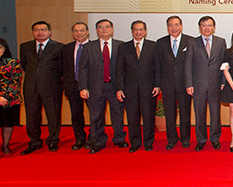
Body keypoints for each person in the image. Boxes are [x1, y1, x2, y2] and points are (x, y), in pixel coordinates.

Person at [79, 19, 125, 154]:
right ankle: (98, 141)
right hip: (95, 88)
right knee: (96, 116)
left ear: (112, 29)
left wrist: (122, 87)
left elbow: (124, 69)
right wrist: (83, 87)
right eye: (100, 27)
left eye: (107, 27)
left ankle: (119, 139)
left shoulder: (120, 46)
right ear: (96, 30)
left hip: (115, 87)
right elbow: (83, 69)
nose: (104, 29)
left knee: (117, 114)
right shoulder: (88, 47)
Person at [19, 21, 63, 154]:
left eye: (43, 30)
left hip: (52, 87)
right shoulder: (25, 46)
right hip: (31, 87)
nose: (40, 32)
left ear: (49, 32)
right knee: (31, 116)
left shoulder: (59, 47)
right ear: (33, 32)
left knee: (53, 115)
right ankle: (34, 142)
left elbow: (62, 68)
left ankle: (53, 141)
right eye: (37, 30)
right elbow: (25, 66)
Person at [116, 20, 160, 152]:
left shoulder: (153, 46)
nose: (138, 32)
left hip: (149, 88)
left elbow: (158, 67)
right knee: (132, 117)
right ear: (132, 31)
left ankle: (148, 142)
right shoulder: (123, 47)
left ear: (145, 31)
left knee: (148, 116)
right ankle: (135, 142)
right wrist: (119, 88)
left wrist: (157, 85)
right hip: (130, 89)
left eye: (141, 29)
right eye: (135, 29)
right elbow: (120, 69)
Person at [186, 16, 227, 151]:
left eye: (209, 25)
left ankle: (215, 138)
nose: (207, 28)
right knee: (199, 114)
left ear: (214, 27)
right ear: (200, 27)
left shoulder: (221, 42)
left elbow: (224, 64)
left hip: (216, 84)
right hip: (198, 85)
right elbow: (188, 64)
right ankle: (201, 140)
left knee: (215, 114)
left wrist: (223, 81)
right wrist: (189, 83)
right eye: (204, 25)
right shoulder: (192, 42)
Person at [155, 16, 193, 150]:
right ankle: (171, 139)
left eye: (176, 25)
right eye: (171, 25)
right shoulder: (160, 43)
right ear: (167, 27)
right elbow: (157, 65)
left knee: (185, 113)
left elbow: (193, 64)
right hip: (167, 84)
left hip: (185, 85)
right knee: (170, 114)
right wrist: (158, 85)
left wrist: (191, 83)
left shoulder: (190, 41)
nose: (174, 28)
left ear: (181, 26)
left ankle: (185, 138)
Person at [61, 22, 91, 150]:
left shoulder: (94, 46)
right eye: (76, 31)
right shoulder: (66, 48)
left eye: (82, 30)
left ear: (87, 32)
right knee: (76, 115)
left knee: (95, 114)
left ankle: (93, 138)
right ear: (72, 33)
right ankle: (79, 139)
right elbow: (62, 68)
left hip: (91, 86)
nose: (79, 33)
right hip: (73, 86)